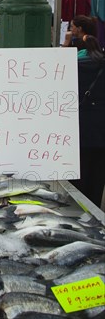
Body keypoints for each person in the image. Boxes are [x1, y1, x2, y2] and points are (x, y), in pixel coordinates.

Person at [71, 34, 105, 207]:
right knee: (96, 182)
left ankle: (80, 213)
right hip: (101, 135)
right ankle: (95, 214)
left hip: (78, 133)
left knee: (78, 182)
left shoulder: (72, 69)